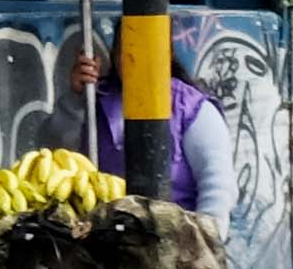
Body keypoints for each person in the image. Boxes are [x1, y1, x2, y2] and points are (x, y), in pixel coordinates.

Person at [63, 27, 235, 222]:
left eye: (144, 48)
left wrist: (206, 236)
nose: (133, 58)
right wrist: (74, 100)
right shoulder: (95, 101)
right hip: (103, 233)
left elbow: (218, 187)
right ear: (114, 54)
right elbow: (58, 151)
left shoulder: (193, 109)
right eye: (125, 50)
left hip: (176, 236)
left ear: (166, 54)